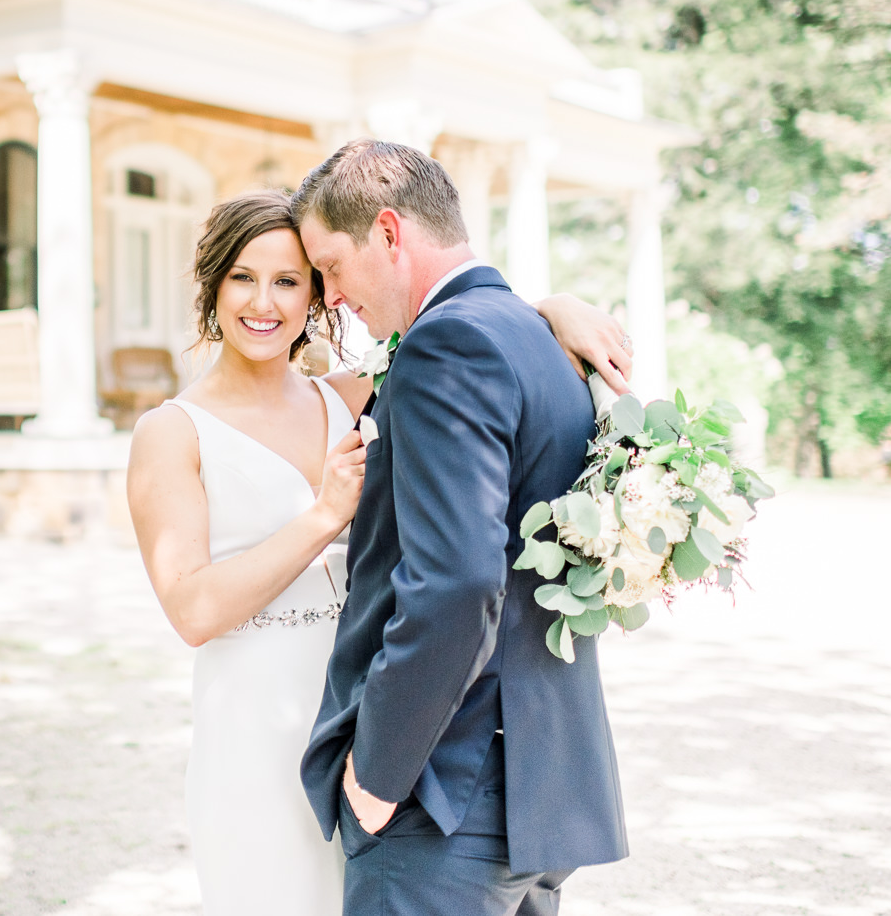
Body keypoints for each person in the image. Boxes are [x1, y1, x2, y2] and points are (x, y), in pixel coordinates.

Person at [127, 188, 631, 915]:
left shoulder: (351, 394)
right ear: (212, 284)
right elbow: (192, 610)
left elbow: (462, 330)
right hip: (258, 715)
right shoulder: (171, 432)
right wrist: (325, 516)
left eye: (288, 280)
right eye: (243, 276)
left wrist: (553, 308)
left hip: (371, 712)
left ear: (319, 297)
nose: (262, 302)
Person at [295, 140, 629, 916]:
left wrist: (376, 776)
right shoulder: (543, 342)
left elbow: (457, 583)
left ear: (388, 231)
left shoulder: (445, 345)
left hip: (442, 801)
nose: (333, 296)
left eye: (333, 266)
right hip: (539, 794)